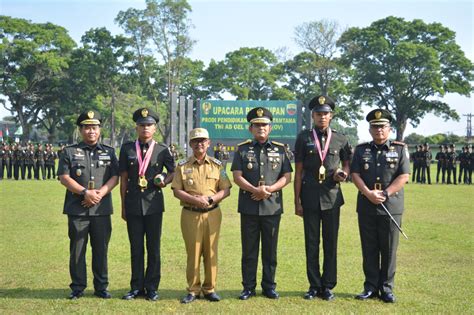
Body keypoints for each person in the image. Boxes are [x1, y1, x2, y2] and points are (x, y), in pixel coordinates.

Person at [294, 95, 352, 301]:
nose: (322, 117)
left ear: (331, 116)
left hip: (332, 197)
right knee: (311, 243)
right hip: (309, 197)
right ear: (313, 115)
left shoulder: (340, 138)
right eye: (318, 114)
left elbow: (347, 163)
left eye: (325, 114)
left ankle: (328, 285)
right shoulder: (303, 138)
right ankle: (313, 285)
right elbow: (298, 172)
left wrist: (342, 173)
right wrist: (297, 201)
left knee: (330, 243)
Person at [231, 107, 293, 300]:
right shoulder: (242, 149)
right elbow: (237, 176)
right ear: (251, 128)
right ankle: (248, 287)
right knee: (249, 250)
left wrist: (269, 190)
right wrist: (255, 190)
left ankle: (269, 286)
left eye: (264, 125)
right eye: (257, 125)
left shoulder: (280, 149)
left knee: (270, 251)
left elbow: (287, 176)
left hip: (272, 207)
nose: (261, 128)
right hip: (249, 206)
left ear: (270, 127)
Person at [57, 110, 119, 300]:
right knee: (77, 249)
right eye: (87, 127)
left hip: (101, 209)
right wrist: (85, 192)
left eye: (94, 127)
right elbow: (63, 177)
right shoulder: (69, 151)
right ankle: (77, 287)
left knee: (101, 249)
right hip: (78, 209)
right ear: (81, 129)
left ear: (99, 129)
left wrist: (100, 193)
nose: (91, 131)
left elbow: (115, 176)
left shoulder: (109, 151)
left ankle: (101, 287)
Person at [350, 109, 410, 303]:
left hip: (390, 205)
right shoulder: (361, 150)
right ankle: (370, 287)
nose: (379, 130)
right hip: (367, 205)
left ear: (389, 129)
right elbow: (355, 174)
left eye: (382, 126)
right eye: (375, 127)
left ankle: (386, 288)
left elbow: (404, 176)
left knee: (389, 248)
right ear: (369, 130)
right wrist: (368, 193)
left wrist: (385, 193)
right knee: (369, 248)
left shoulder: (400, 149)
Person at [120, 108, 175, 302]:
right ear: (137, 127)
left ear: (155, 128)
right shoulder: (127, 148)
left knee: (153, 247)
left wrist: (164, 179)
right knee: (136, 248)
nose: (145, 128)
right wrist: (123, 205)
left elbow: (173, 172)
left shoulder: (162, 149)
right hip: (133, 203)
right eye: (142, 125)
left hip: (153, 204)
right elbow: (124, 178)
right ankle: (136, 287)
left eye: (149, 125)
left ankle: (152, 287)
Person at [171, 128, 232, 304]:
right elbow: (176, 190)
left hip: (213, 213)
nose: (199, 144)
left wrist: (211, 198)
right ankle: (193, 289)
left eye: (202, 140)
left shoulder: (217, 165)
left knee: (211, 251)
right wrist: (193, 200)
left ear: (208, 143)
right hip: (190, 214)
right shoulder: (182, 166)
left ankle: (210, 288)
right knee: (193, 252)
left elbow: (226, 189)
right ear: (190, 144)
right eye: (195, 141)